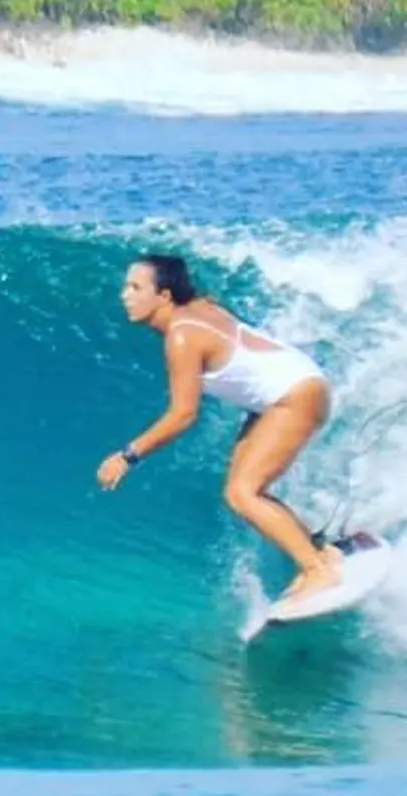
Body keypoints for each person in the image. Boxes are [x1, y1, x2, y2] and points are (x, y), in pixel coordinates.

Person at [97, 249, 348, 604]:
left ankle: (317, 570)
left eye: (136, 288)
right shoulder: (197, 309)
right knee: (240, 491)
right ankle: (320, 553)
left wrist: (127, 456)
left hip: (294, 396)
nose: (125, 295)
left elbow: (183, 415)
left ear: (164, 295)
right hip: (290, 388)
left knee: (244, 493)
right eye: (126, 286)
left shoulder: (182, 335)